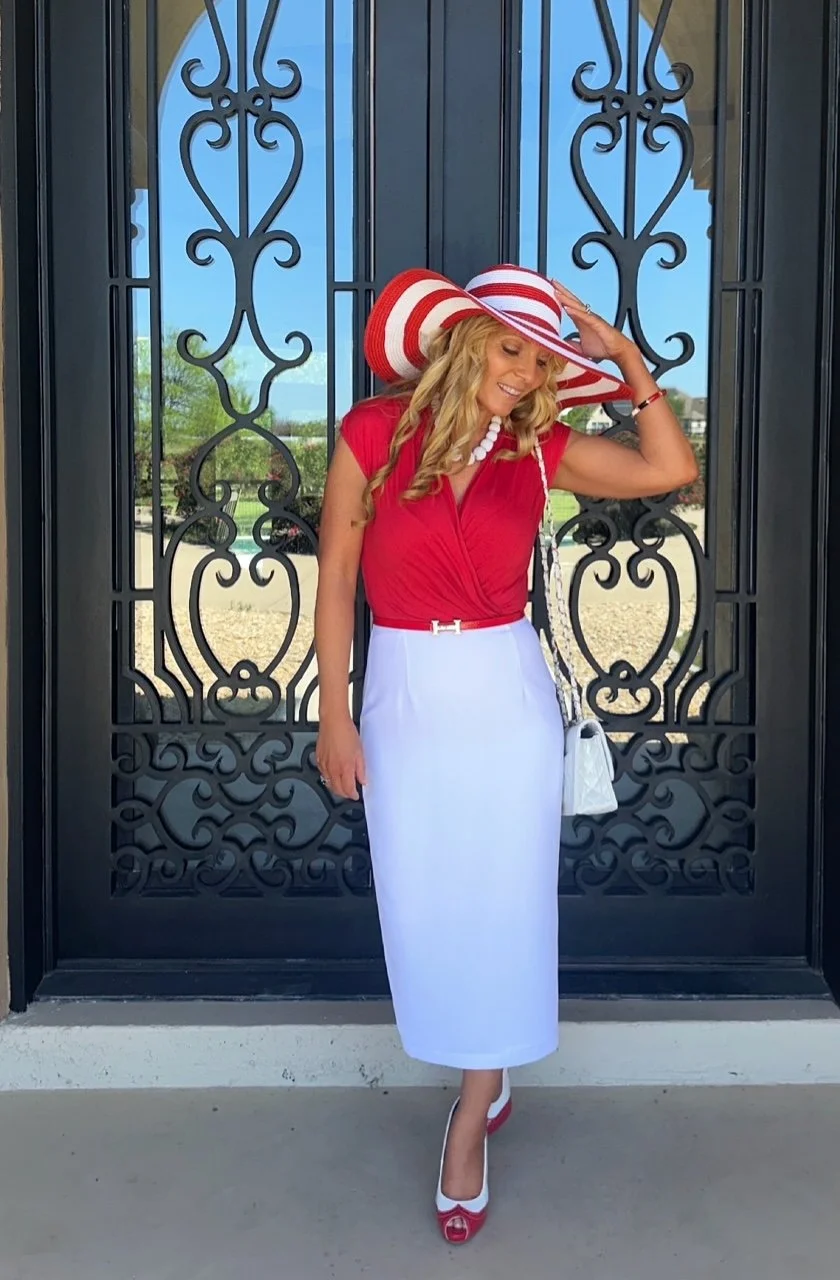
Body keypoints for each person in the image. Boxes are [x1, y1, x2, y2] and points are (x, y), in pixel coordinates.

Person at [314, 265, 698, 1244]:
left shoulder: (538, 449)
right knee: (426, 899)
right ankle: (486, 1061)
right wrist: (335, 715)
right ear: (460, 341)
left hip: (504, 690)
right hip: (403, 688)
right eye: (511, 348)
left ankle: (472, 1109)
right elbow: (338, 577)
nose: (525, 372)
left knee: (503, 900)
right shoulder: (373, 432)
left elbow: (668, 469)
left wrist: (623, 357)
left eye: (542, 359)